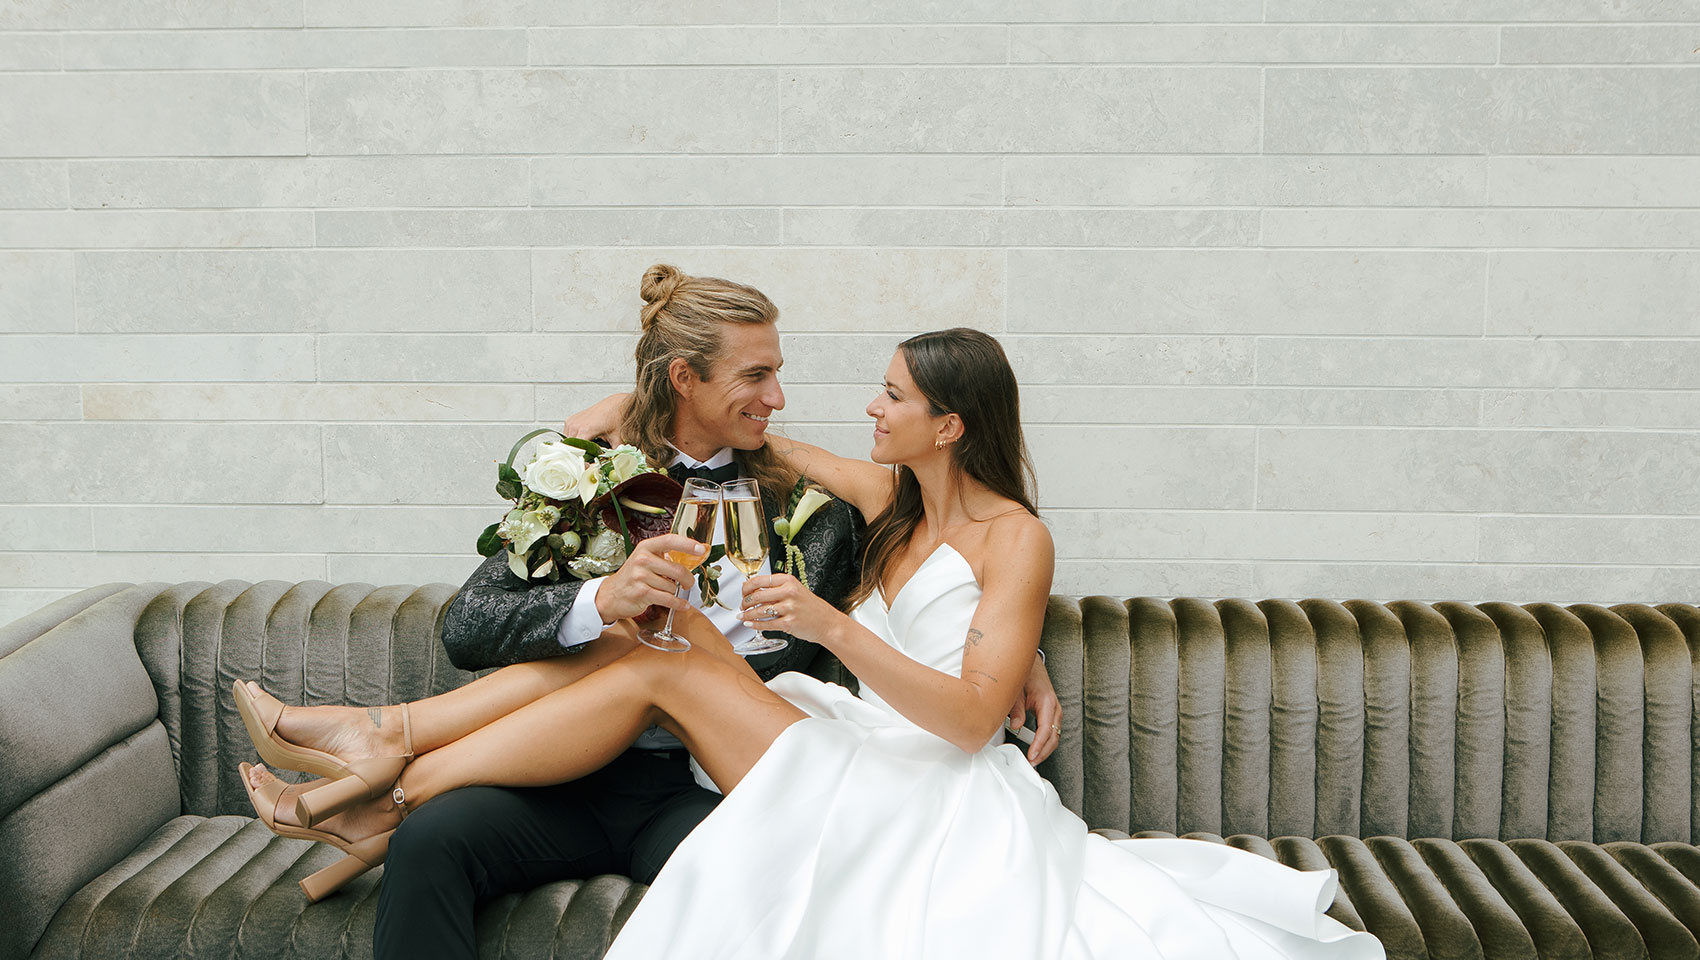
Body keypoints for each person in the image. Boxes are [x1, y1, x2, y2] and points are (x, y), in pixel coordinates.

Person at [237, 327, 1382, 958]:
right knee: (660, 632)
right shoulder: (886, 496)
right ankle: (383, 763)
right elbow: (737, 439)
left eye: (888, 397)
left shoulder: (1013, 537)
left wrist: (844, 626)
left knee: (658, 648)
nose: (862, 409)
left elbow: (974, 716)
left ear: (950, 423)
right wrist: (601, 423)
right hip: (847, 741)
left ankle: (384, 762)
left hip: (927, 785)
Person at [242, 266, 1061, 958]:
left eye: (777, 373)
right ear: (685, 379)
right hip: (563, 768)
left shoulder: (826, 511)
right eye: (755, 376)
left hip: (709, 783)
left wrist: (1019, 654)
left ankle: (385, 758)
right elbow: (468, 627)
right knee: (433, 842)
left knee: (743, 874)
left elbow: (958, 572)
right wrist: (600, 596)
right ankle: (392, 788)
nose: (780, 396)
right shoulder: (587, 483)